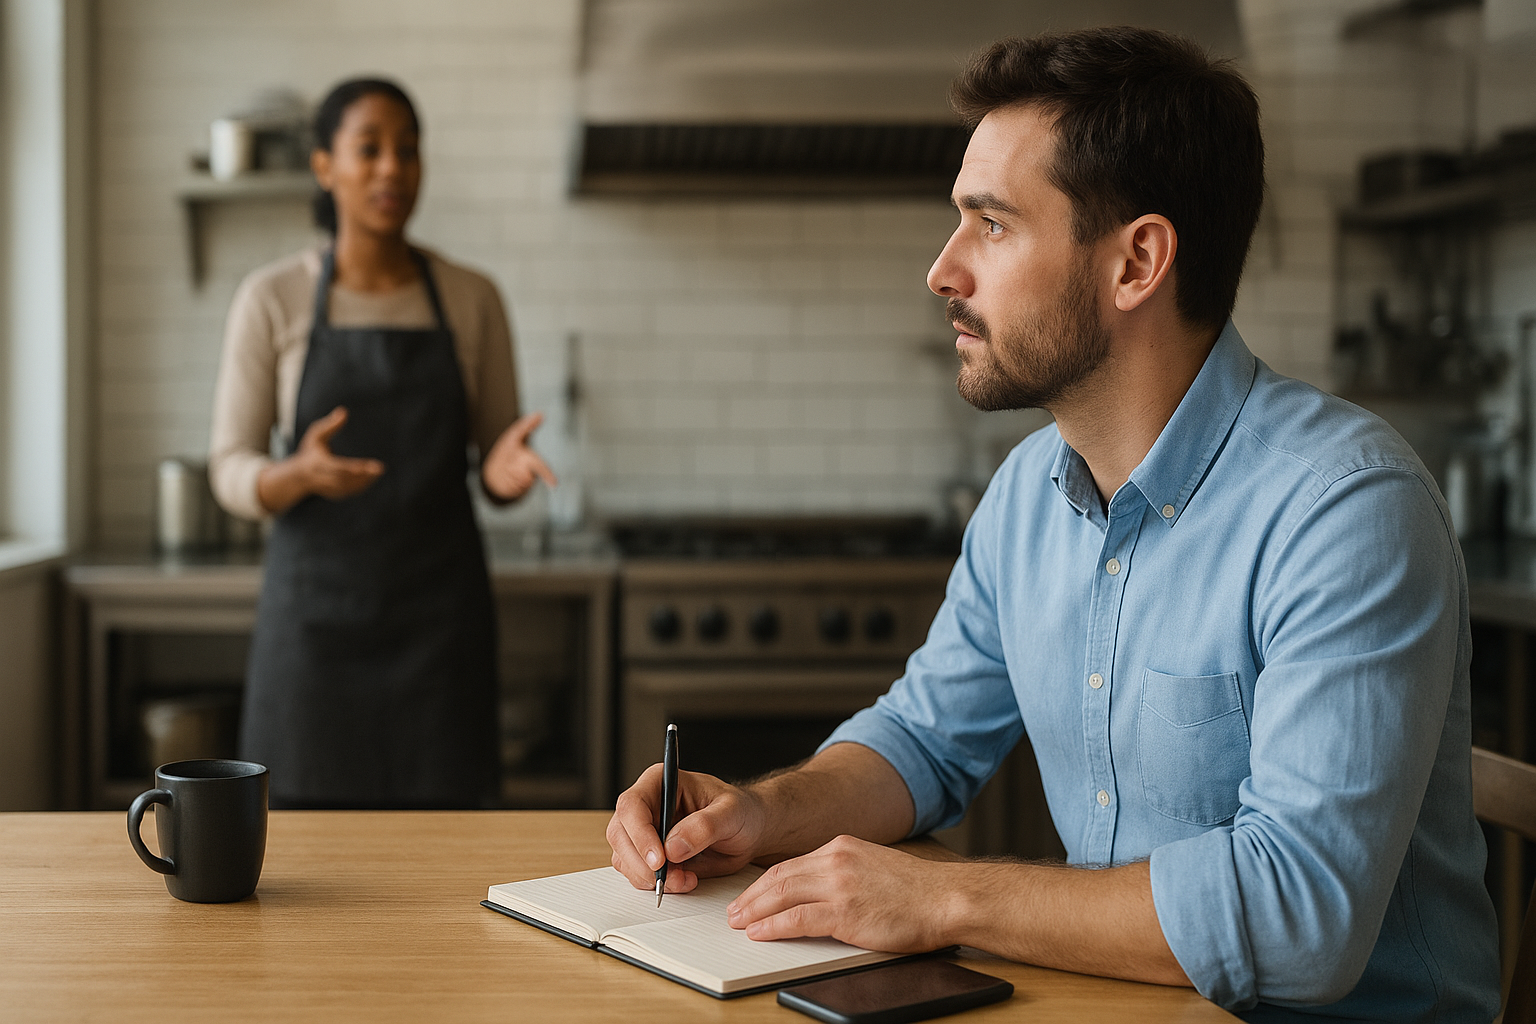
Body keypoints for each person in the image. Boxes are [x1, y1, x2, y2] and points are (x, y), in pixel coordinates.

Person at [607, 28, 1500, 1020]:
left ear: (1137, 263)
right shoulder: (1030, 492)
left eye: (991, 225)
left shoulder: (1347, 510)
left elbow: (1300, 925)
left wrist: (940, 896)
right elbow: (922, 742)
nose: (943, 270)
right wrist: (762, 812)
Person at [209, 78, 554, 809]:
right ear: (324, 166)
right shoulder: (272, 298)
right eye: (369, 150)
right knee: (302, 857)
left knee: (445, 854)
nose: (392, 168)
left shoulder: (472, 297)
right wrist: (293, 475)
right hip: (312, 632)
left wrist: (501, 471)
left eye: (408, 150)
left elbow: (494, 456)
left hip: (439, 634)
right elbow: (229, 465)